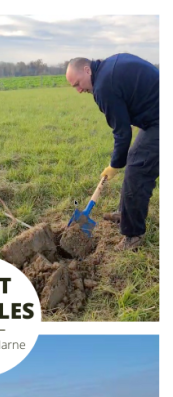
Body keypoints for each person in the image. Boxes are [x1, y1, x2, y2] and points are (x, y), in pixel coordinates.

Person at [65, 56, 159, 251]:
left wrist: (115, 165)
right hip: (154, 117)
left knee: (137, 171)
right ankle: (125, 213)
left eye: (78, 84)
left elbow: (122, 132)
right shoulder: (107, 68)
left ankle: (133, 235)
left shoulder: (103, 87)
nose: (79, 90)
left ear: (87, 70)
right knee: (134, 158)